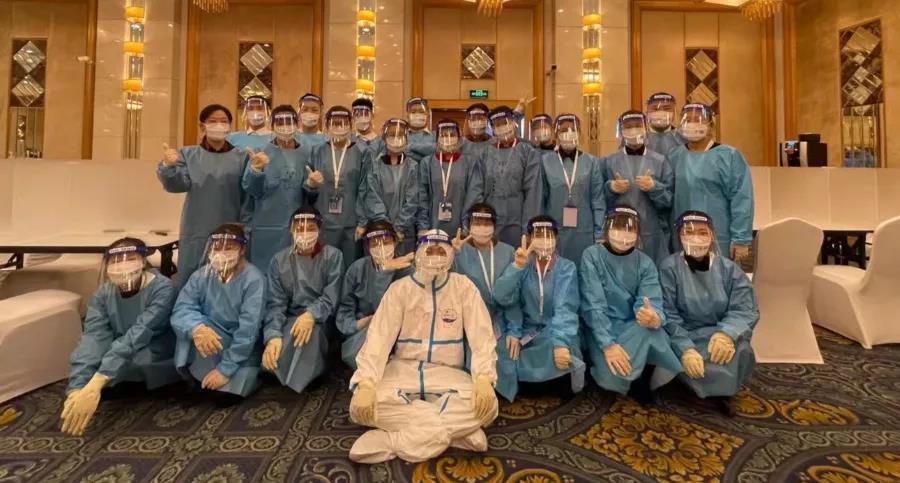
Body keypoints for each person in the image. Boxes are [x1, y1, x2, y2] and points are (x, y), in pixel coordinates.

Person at [348, 229, 498, 464]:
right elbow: (378, 339)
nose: (435, 256)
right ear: (419, 254)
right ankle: (453, 433)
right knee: (360, 406)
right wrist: (366, 382)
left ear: (450, 256)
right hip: (402, 373)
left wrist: (483, 378)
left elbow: (482, 337)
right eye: (430, 250)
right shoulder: (400, 289)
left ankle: (393, 441)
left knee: (488, 406)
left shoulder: (464, 287)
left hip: (448, 375)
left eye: (441, 251)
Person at [61, 238, 179, 436]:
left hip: (155, 347)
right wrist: (77, 388)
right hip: (121, 347)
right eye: (115, 260)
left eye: (130, 258)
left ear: (143, 261)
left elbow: (140, 333)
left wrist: (98, 380)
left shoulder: (163, 289)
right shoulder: (103, 294)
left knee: (137, 360)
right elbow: (93, 337)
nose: (123, 265)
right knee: (93, 355)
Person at [657, 211, 759, 415]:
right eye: (689, 232)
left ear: (712, 235)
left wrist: (726, 334)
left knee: (741, 350)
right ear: (679, 236)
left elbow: (744, 308)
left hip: (717, 335)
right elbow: (668, 313)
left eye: (702, 232)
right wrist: (685, 348)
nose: (696, 237)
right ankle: (692, 386)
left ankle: (716, 391)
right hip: (684, 335)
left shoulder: (729, 270)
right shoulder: (669, 268)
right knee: (670, 353)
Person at [580, 206, 682, 404]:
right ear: (607, 229)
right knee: (611, 377)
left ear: (638, 233)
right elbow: (593, 305)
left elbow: (650, 300)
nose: (623, 234)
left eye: (630, 229)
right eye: (618, 227)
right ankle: (618, 369)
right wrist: (608, 345)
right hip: (601, 328)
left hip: (631, 326)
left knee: (655, 333)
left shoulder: (645, 263)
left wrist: (651, 316)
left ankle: (643, 379)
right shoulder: (592, 256)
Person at [492, 216, 584, 402]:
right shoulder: (523, 264)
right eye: (538, 235)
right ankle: (534, 381)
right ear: (529, 238)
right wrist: (517, 267)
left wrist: (560, 343)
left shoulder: (566, 268)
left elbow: (565, 308)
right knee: (502, 348)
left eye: (549, 235)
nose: (544, 240)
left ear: (556, 238)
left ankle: (546, 378)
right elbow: (503, 298)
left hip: (554, 329)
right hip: (527, 329)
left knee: (565, 350)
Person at [171, 224, 265, 400]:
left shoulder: (254, 280)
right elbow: (182, 309)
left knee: (226, 397)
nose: (221, 253)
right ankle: (193, 377)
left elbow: (249, 329)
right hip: (209, 340)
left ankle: (234, 375)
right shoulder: (201, 276)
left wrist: (225, 370)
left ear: (242, 250)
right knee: (189, 328)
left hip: (240, 349)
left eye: (229, 248)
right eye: (217, 248)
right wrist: (197, 329)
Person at [158, 104, 249, 286]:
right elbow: (176, 185)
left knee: (228, 280)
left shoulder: (241, 157)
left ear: (230, 126)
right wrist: (168, 167)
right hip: (196, 229)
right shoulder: (188, 155)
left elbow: (248, 193)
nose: (218, 125)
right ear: (202, 126)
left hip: (231, 229)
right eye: (213, 121)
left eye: (223, 121)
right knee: (192, 281)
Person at [261, 208, 343, 393]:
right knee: (277, 349)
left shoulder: (333, 256)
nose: (305, 233)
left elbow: (331, 296)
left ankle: (310, 374)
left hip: (321, 319)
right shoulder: (278, 261)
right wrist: (273, 335)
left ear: (319, 230)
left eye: (311, 228)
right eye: (299, 228)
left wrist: (311, 315)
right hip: (290, 318)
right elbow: (275, 304)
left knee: (310, 336)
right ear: (291, 230)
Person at [452, 204, 523, 402]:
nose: (482, 228)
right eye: (477, 223)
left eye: (487, 223)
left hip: (500, 320)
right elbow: (446, 289)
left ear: (494, 226)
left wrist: (514, 330)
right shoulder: (460, 251)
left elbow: (514, 295)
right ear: (468, 225)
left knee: (505, 355)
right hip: (469, 321)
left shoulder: (508, 252)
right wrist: (451, 256)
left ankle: (497, 396)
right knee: (472, 357)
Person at [668, 103, 754, 262]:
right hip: (682, 235)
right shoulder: (674, 156)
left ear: (711, 124)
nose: (692, 124)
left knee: (716, 274)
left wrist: (741, 238)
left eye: (698, 119)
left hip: (718, 236)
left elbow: (742, 199)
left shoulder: (729, 156)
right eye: (687, 120)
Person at [337, 220, 414, 369]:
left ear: (395, 242)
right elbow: (344, 310)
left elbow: (395, 311)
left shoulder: (407, 270)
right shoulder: (357, 269)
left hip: (400, 332)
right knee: (361, 357)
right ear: (367, 247)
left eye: (386, 242)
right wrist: (358, 324)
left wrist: (386, 272)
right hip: (366, 331)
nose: (381, 248)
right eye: (375, 244)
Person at [242, 105, 311, 269]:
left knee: (295, 272)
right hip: (266, 227)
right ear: (272, 125)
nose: (285, 127)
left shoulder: (306, 153)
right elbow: (250, 190)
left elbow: (308, 193)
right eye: (280, 122)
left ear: (297, 124)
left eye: (289, 122)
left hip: (298, 227)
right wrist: (256, 170)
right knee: (265, 271)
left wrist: (312, 186)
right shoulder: (261, 152)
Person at [303, 105, 370, 269]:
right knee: (324, 266)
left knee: (350, 267)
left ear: (351, 125)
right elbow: (306, 190)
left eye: (344, 123)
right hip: (323, 221)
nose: (339, 127)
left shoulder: (362, 152)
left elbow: (365, 189)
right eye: (335, 123)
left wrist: (362, 222)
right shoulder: (317, 151)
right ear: (326, 125)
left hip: (351, 222)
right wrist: (310, 185)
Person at [604, 111, 674, 265]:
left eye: (637, 125)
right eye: (628, 127)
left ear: (646, 128)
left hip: (651, 233)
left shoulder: (660, 161)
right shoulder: (609, 161)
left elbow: (669, 201)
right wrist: (611, 188)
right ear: (621, 131)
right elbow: (599, 199)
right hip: (619, 230)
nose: (633, 130)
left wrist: (655, 188)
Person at [540, 114, 606, 263]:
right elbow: (540, 200)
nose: (569, 133)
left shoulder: (592, 162)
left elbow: (598, 200)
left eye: (573, 129)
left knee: (584, 267)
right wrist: (541, 231)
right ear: (556, 134)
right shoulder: (545, 162)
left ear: (580, 133)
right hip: (555, 230)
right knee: (557, 270)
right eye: (564, 130)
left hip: (584, 230)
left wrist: (599, 233)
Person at [479, 106, 542, 247]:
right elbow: (477, 189)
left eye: (505, 122)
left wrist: (528, 228)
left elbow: (533, 193)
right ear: (492, 129)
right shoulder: (486, 153)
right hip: (490, 218)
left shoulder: (527, 152)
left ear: (514, 123)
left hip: (517, 219)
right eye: (498, 125)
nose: (502, 127)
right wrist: (479, 222)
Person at [416, 119, 484, 237]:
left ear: (459, 138)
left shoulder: (470, 163)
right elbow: (422, 198)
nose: (448, 139)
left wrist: (467, 225)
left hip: (461, 228)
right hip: (432, 226)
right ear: (437, 139)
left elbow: (474, 196)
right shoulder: (427, 163)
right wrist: (423, 227)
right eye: (443, 135)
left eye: (452, 135)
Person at [365, 119, 420, 255]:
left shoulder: (413, 167)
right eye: (391, 135)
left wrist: (399, 227)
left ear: (407, 138)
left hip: (404, 232)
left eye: (400, 135)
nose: (396, 139)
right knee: (380, 263)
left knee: (404, 265)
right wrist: (386, 227)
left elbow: (412, 201)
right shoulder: (375, 166)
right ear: (384, 138)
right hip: (379, 229)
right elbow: (373, 197)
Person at [405, 97, 436, 162]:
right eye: (413, 112)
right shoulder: (401, 137)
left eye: (421, 111)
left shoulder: (436, 136)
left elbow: (438, 152)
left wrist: (409, 146)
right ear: (407, 115)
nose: (417, 115)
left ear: (428, 115)